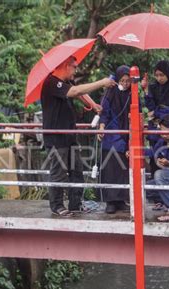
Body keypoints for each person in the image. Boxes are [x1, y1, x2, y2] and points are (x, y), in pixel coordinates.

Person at [41, 56, 116, 216]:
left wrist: (92, 105)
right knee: (58, 172)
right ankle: (57, 206)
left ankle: (75, 204)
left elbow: (79, 93)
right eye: (74, 67)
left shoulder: (67, 83)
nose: (76, 71)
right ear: (65, 66)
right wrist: (102, 83)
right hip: (56, 137)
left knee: (77, 171)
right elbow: (75, 91)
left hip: (70, 135)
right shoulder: (52, 83)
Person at [97, 65, 132, 214]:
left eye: (128, 81)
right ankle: (110, 202)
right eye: (122, 80)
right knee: (110, 168)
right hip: (111, 135)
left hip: (125, 136)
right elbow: (103, 111)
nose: (125, 83)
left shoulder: (132, 94)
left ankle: (121, 200)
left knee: (122, 169)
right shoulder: (110, 92)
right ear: (117, 80)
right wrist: (101, 126)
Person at [141, 60, 169, 176]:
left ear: (168, 74)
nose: (159, 78)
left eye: (162, 75)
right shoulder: (153, 87)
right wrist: (146, 91)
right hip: (156, 130)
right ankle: (156, 190)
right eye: (157, 75)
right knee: (155, 158)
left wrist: (156, 112)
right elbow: (150, 107)